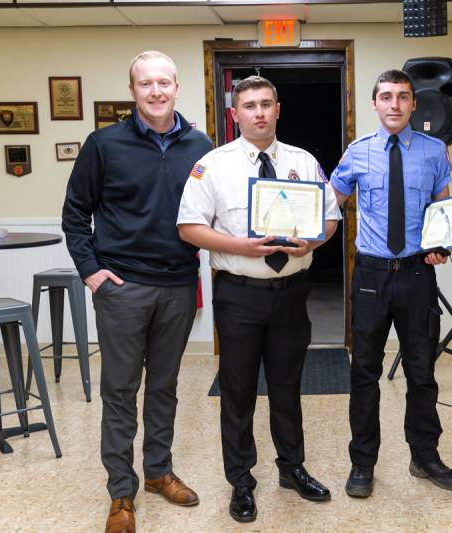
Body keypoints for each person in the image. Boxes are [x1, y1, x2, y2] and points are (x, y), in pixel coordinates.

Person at [176, 75, 341, 523]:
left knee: (288, 388)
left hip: (290, 294)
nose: (260, 113)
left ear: (278, 109)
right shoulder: (213, 165)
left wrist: (312, 243)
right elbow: (189, 226)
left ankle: (292, 468)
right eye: (249, 106)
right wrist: (239, 247)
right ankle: (242, 481)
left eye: (267, 104)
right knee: (239, 390)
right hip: (239, 295)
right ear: (235, 114)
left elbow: (329, 218)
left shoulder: (303, 162)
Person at [62, 50, 213, 533]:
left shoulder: (201, 145)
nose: (155, 91)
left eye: (163, 82)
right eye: (145, 83)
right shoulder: (103, 144)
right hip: (122, 287)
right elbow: (75, 214)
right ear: (132, 91)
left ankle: (158, 472)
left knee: (165, 387)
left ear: (176, 87)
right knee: (121, 391)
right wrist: (92, 271)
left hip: (178, 284)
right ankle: (121, 493)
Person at [329, 69, 452, 499]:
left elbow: (444, 209)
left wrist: (444, 243)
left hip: (416, 273)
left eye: (402, 97)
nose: (394, 105)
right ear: (374, 103)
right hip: (370, 275)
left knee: (421, 371)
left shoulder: (434, 151)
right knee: (364, 372)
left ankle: (424, 455)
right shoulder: (357, 152)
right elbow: (330, 204)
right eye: (386, 97)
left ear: (413, 104)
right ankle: (362, 463)